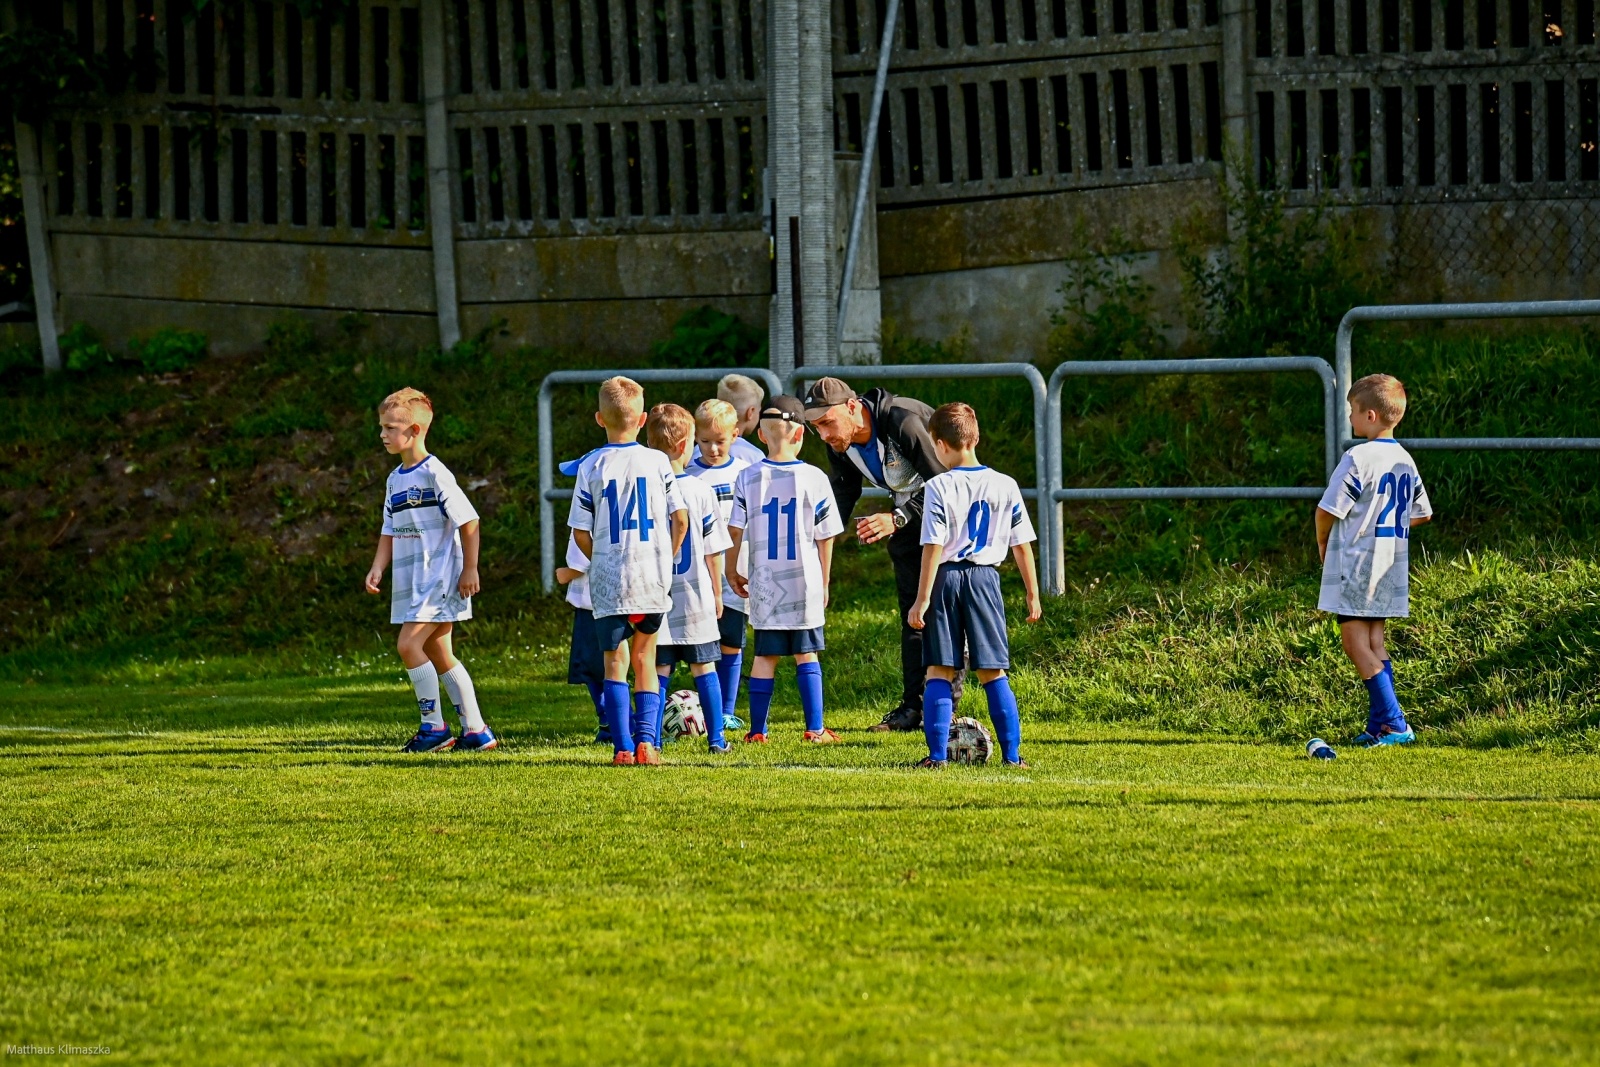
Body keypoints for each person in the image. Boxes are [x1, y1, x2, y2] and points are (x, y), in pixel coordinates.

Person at [802, 376, 953, 733]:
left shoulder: (903, 421)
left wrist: (897, 517)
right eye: (815, 427)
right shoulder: (840, 442)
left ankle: (943, 710)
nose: (823, 435)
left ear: (853, 408)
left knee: (943, 615)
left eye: (826, 423)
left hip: (950, 524)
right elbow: (843, 492)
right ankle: (914, 709)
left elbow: (946, 484)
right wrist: (814, 541)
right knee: (913, 615)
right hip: (911, 522)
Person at [908, 403, 1042, 768]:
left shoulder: (937, 486)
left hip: (947, 578)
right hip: (986, 580)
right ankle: (1013, 757)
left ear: (939, 443)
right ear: (976, 438)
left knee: (939, 668)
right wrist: (1033, 592)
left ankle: (936, 758)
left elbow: (933, 546)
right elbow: (1021, 545)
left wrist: (921, 599)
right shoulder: (1005, 484)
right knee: (992, 671)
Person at [364, 387, 496, 753]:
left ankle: (434, 728)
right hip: (412, 580)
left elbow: (469, 522)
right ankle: (476, 731)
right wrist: (378, 567)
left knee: (408, 645)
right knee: (439, 651)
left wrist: (470, 569)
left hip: (439, 577)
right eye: (382, 427)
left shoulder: (435, 473)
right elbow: (389, 529)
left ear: (415, 431)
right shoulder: (395, 479)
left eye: (390, 427)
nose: (383, 434)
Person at [567, 376, 689, 766]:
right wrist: (665, 558)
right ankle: (647, 745)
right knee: (646, 660)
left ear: (599, 419)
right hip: (650, 579)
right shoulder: (658, 461)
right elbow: (681, 519)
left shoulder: (592, 465)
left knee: (614, 663)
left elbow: (580, 531)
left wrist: (599, 558)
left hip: (610, 581)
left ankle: (621, 748)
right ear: (640, 421)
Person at [1315, 373, 1433, 747]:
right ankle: (1379, 726)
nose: (1349, 417)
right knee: (1375, 642)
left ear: (1370, 416)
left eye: (1352, 410)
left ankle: (1396, 724)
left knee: (1354, 644)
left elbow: (1326, 511)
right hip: (1389, 564)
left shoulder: (1358, 457)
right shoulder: (1405, 459)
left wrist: (1323, 547)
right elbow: (1423, 514)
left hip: (1357, 562)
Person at [727, 396, 844, 743]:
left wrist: (732, 569)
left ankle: (757, 731)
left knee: (765, 654)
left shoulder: (747, 476)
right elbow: (826, 536)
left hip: (764, 581)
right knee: (806, 653)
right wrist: (824, 581)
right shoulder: (815, 477)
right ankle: (815, 728)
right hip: (804, 580)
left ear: (761, 436)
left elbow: (735, 529)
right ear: (799, 436)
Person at [647, 402, 736, 753]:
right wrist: (717, 593)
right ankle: (717, 740)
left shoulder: (647, 490)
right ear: (687, 446)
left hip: (658, 595)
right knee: (704, 666)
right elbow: (714, 551)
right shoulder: (700, 491)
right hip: (696, 595)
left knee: (659, 670)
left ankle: (652, 739)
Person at [682, 399, 755, 733]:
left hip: (736, 567)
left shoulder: (744, 472)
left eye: (720, 441)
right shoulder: (688, 474)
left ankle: (726, 709)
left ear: (735, 436)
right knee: (703, 639)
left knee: (733, 637)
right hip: (701, 568)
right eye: (705, 441)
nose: (712, 448)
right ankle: (706, 706)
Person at [555, 532, 608, 743]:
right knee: (603, 667)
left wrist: (566, 573)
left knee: (591, 668)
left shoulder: (587, 503)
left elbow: (583, 558)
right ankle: (613, 722)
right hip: (607, 601)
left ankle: (611, 723)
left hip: (591, 603)